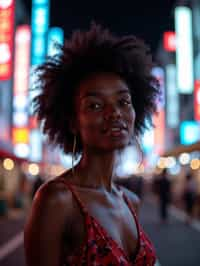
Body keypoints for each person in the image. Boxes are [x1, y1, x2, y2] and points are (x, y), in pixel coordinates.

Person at [24, 23, 160, 266]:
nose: (115, 113)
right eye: (95, 105)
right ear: (73, 122)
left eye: (124, 102)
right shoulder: (57, 199)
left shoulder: (131, 200)